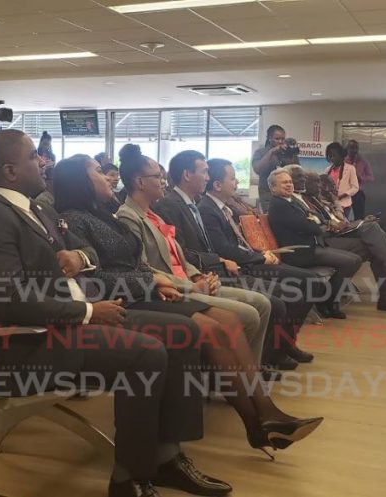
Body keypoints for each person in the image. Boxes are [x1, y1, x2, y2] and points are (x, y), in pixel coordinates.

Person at [0, 130, 230, 497]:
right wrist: (86, 312)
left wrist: (80, 258)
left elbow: (87, 250)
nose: (43, 162)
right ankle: (129, 477)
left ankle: (167, 456)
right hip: (33, 341)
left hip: (72, 319)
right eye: (32, 157)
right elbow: (8, 299)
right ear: (10, 170)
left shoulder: (39, 208)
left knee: (183, 331)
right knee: (146, 353)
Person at [55, 154, 323, 456]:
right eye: (97, 172)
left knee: (230, 321)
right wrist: (155, 282)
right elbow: (96, 279)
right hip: (125, 299)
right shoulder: (74, 220)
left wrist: (159, 281)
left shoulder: (106, 213)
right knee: (212, 328)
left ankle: (264, 412)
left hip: (149, 290)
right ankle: (257, 421)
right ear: (79, 181)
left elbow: (137, 262)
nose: (107, 176)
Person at [116, 146, 274, 374]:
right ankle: (234, 377)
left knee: (262, 303)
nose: (163, 181)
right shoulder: (128, 216)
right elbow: (144, 267)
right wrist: (192, 285)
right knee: (248, 313)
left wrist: (197, 274)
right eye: (158, 177)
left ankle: (244, 374)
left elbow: (179, 255)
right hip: (173, 289)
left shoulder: (154, 214)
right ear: (140, 182)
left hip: (190, 280)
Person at [200, 159, 327, 367]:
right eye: (232, 178)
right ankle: (275, 352)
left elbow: (237, 245)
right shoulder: (208, 209)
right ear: (217, 185)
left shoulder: (221, 208)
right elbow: (224, 249)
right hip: (242, 266)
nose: (236, 182)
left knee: (310, 283)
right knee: (299, 290)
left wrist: (259, 252)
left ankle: (284, 345)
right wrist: (260, 257)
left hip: (250, 259)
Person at [283, 165, 386, 313]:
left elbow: (327, 218)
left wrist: (340, 221)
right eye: (299, 178)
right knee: (372, 230)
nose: (319, 185)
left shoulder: (311, 199)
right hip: (323, 240)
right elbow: (312, 225)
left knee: (374, 237)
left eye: (304, 178)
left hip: (335, 232)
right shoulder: (293, 201)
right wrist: (332, 224)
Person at [266, 169, 362, 319]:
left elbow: (313, 219)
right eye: (284, 183)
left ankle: (328, 300)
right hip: (299, 252)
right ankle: (328, 301)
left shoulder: (290, 202)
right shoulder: (278, 205)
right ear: (273, 188)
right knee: (350, 262)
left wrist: (312, 222)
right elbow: (308, 226)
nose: (289, 185)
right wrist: (313, 223)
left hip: (311, 246)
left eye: (290, 182)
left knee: (355, 259)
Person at [251, 125, 297, 212]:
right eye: (277, 139)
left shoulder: (288, 153)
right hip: (269, 196)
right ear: (269, 138)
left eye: (283, 139)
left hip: (288, 195)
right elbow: (257, 169)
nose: (280, 141)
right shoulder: (260, 152)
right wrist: (271, 152)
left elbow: (297, 172)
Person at [324, 142, 359, 219]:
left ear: (341, 155)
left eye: (334, 155)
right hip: (331, 205)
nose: (332, 158)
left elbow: (355, 188)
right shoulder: (327, 170)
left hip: (344, 205)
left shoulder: (350, 169)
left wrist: (342, 195)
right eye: (330, 156)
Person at [346, 140, 374, 218]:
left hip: (358, 194)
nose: (354, 150)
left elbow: (371, 178)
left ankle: (359, 230)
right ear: (347, 149)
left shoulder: (363, 161)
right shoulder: (343, 161)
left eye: (356, 148)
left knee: (359, 217)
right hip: (345, 193)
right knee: (343, 217)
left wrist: (361, 178)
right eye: (352, 148)